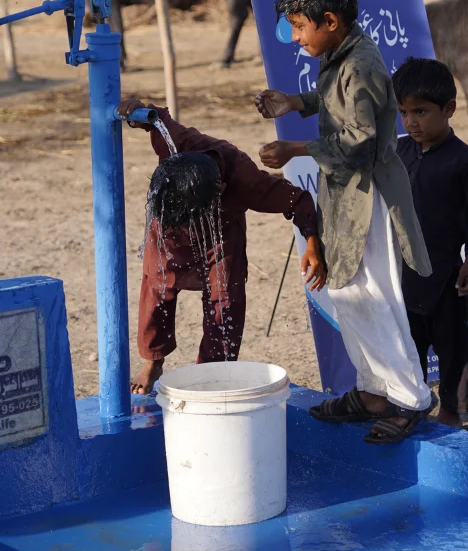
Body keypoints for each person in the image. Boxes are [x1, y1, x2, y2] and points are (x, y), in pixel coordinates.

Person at [255, 0, 434, 444]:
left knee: (373, 296)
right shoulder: (341, 53)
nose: (295, 38)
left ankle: (410, 398)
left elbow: (359, 139)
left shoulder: (362, 63)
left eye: (299, 27)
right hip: (344, 192)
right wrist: (295, 102)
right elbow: (333, 99)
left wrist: (294, 148)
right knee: (346, 292)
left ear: (330, 21)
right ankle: (373, 391)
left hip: (368, 194)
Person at [117, 99, 325, 395]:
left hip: (220, 236)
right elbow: (157, 116)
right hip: (167, 226)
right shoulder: (176, 143)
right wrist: (136, 113)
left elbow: (298, 200)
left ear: (221, 191)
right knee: (157, 285)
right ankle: (153, 360)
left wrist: (312, 243)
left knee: (225, 299)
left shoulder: (245, 179)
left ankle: (211, 373)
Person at [393, 58, 468, 427]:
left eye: (420, 111)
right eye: (403, 112)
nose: (411, 122)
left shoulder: (467, 161)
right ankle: (411, 404)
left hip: (446, 272)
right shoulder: (396, 153)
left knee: (452, 345)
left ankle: (451, 410)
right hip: (403, 272)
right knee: (407, 343)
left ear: (448, 109)